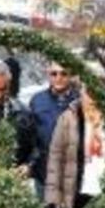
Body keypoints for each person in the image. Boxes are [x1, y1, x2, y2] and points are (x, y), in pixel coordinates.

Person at [29, 61, 79, 200]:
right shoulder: (37, 100)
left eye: (64, 73)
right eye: (54, 73)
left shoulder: (80, 99)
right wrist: (33, 161)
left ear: (70, 75)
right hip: (44, 170)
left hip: (73, 171)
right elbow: (30, 136)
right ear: (48, 75)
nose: (58, 78)